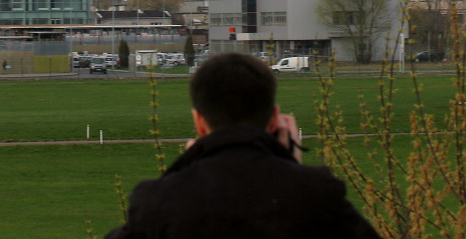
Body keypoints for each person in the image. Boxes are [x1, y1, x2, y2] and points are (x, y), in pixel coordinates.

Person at [105, 52, 381, 239]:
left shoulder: (157, 201)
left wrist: (184, 172)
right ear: (275, 119)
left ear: (199, 123)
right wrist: (290, 170)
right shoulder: (318, 194)